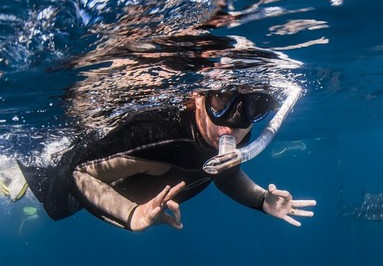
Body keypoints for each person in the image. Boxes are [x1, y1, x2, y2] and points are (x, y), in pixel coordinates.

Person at [7, 87, 315, 231]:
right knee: (52, 198)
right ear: (198, 97)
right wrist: (133, 215)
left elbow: (224, 174)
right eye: (221, 100)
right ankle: (12, 174)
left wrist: (262, 199)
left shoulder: (237, 131)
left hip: (128, 186)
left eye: (253, 108)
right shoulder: (158, 135)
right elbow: (79, 174)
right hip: (80, 176)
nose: (229, 128)